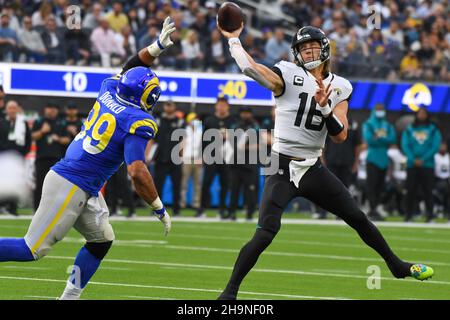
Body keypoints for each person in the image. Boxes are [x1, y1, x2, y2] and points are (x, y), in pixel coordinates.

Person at [216, 24, 433, 300]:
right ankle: (229, 293)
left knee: (357, 217)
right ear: (296, 53)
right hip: (281, 166)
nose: (308, 52)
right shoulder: (287, 72)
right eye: (303, 49)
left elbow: (341, 135)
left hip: (313, 168)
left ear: (325, 48)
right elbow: (251, 69)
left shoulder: (341, 86)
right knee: (265, 233)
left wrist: (325, 107)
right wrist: (234, 40)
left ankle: (396, 265)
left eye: (313, 47)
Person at [0, 17, 176, 300]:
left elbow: (131, 67)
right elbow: (137, 170)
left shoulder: (108, 88)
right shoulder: (139, 120)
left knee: (101, 240)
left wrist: (156, 47)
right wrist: (158, 207)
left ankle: (69, 297)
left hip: (83, 183)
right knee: (30, 249)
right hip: (71, 183)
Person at [197, 97, 235, 218]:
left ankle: (222, 209)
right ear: (216, 106)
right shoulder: (209, 120)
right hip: (211, 156)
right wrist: (201, 155)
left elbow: (240, 138)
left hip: (227, 157)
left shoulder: (233, 120)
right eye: (219, 105)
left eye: (223, 105)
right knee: (206, 183)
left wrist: (229, 136)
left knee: (225, 184)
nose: (221, 107)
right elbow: (203, 139)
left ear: (227, 106)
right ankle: (202, 208)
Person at [401, 108, 442, 222]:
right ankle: (408, 215)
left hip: (427, 165)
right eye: (420, 113)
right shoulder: (410, 129)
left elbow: (435, 146)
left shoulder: (433, 130)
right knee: (410, 190)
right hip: (412, 165)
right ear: (416, 115)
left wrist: (423, 159)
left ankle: (430, 215)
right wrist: (413, 159)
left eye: (424, 113)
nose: (422, 115)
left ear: (427, 115)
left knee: (428, 191)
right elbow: (405, 145)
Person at [31, 102, 70, 211]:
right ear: (45, 109)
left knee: (56, 186)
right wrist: (42, 131)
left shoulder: (61, 123)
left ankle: (55, 209)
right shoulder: (39, 121)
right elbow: (32, 137)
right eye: (49, 108)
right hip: (41, 158)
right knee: (40, 184)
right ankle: (37, 209)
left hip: (56, 159)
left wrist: (58, 139)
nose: (51, 110)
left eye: (54, 108)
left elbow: (67, 140)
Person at [362, 104, 396, 221]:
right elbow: (369, 139)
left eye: (382, 109)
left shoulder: (387, 125)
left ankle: (375, 208)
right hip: (372, 159)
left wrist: (378, 138)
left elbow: (392, 139)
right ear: (374, 111)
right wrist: (383, 139)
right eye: (378, 110)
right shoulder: (369, 124)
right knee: (372, 185)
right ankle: (372, 209)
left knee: (380, 187)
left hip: (384, 160)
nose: (380, 112)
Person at [150, 101, 185, 216]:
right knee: (158, 185)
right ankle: (157, 209)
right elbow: (152, 139)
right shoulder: (158, 121)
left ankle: (176, 209)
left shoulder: (180, 121)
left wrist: (181, 153)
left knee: (177, 185)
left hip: (175, 158)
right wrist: (148, 155)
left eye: (170, 105)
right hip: (160, 158)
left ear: (174, 107)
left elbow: (183, 139)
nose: (168, 107)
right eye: (166, 105)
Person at [227, 107, 260, 221]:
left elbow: (260, 144)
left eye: (247, 113)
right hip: (236, 162)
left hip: (249, 164)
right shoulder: (236, 126)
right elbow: (231, 141)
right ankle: (231, 212)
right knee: (234, 189)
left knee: (249, 190)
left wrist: (245, 147)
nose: (245, 115)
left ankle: (249, 213)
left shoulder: (255, 126)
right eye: (243, 113)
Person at [0, 100, 31, 215]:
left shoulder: (23, 123)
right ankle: (2, 206)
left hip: (18, 158)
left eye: (14, 108)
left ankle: (13, 208)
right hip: (3, 158)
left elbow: (28, 140)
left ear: (17, 109)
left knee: (16, 183)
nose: (12, 110)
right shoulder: (2, 122)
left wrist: (22, 154)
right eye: (10, 108)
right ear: (7, 110)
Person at [180, 112, 203, 212]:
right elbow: (181, 145)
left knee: (197, 183)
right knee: (183, 182)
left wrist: (202, 158)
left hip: (197, 159)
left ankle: (196, 203)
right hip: (187, 158)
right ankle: (182, 203)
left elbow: (203, 146)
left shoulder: (201, 131)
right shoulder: (185, 131)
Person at [434, 142, 449, 219]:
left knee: (447, 197)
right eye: (441, 147)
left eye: (444, 147)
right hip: (437, 179)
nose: (442, 148)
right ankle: (437, 209)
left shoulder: (448, 156)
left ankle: (446, 211)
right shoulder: (435, 156)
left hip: (447, 179)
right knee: (436, 195)